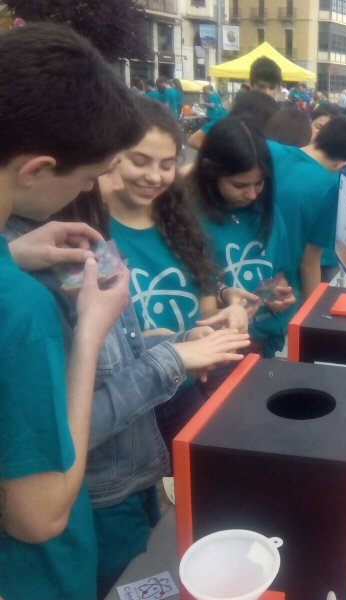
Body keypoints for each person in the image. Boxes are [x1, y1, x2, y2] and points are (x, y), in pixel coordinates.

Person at [4, 193, 251, 598]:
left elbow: (124, 350)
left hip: (136, 479)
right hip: (98, 500)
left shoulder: (72, 236)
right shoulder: (26, 296)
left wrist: (184, 341)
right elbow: (68, 425)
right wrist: (171, 359)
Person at [0, 23, 143, 600]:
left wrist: (12, 252)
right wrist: (89, 336)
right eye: (86, 178)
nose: (87, 192)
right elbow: (38, 516)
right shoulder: (21, 307)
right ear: (36, 170)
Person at [100, 97, 249, 449]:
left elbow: (204, 302)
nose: (154, 176)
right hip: (129, 400)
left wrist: (228, 310)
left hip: (185, 389)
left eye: (167, 165)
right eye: (139, 162)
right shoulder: (91, 231)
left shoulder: (180, 221)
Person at [194, 117, 296, 357]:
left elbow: (276, 274)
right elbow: (196, 290)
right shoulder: (190, 218)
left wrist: (271, 296)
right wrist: (229, 303)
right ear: (210, 171)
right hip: (215, 345)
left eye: (259, 184)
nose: (251, 194)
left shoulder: (267, 213)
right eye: (240, 185)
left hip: (260, 341)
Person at [269, 116, 346, 305]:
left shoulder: (271, 150)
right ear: (342, 164)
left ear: (318, 135)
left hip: (241, 267)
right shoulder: (329, 185)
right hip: (281, 287)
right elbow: (310, 263)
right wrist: (313, 311)